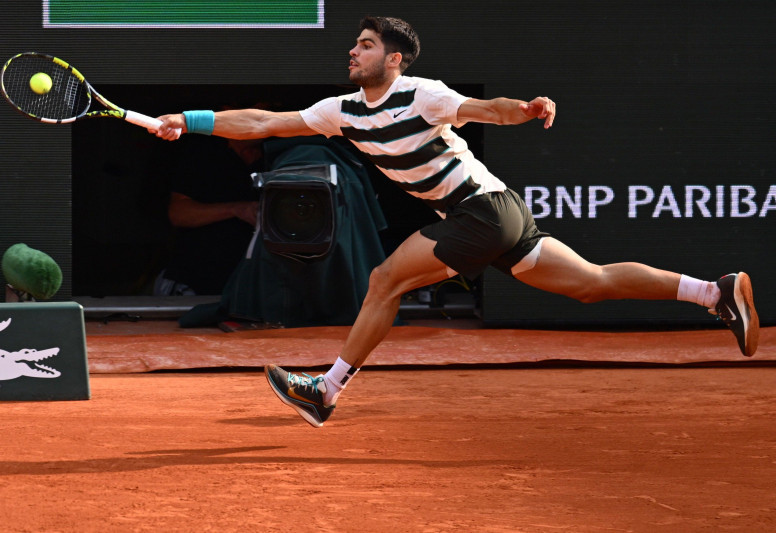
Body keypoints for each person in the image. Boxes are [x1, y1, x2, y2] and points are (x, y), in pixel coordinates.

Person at [152, 16, 759, 427]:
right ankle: (714, 292)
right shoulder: (341, 111)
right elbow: (262, 123)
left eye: (365, 45)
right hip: (496, 213)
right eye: (355, 45)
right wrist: (190, 120)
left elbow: (484, 110)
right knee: (590, 282)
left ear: (393, 58)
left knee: (384, 280)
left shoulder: (423, 94)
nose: (353, 52)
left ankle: (326, 390)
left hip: (482, 212)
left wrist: (524, 110)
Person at [155, 136, 262, 296]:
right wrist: (236, 209)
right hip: (195, 281)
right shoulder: (203, 153)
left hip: (251, 285)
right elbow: (178, 213)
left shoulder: (277, 156)